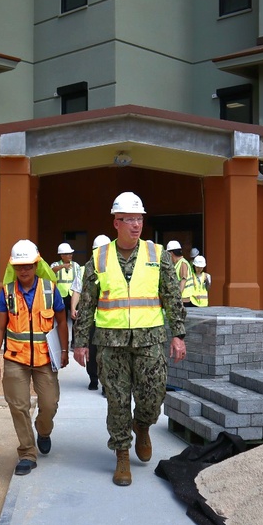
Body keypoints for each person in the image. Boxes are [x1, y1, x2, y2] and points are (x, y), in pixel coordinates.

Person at [72, 193, 187, 486]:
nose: (136, 225)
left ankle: (143, 425)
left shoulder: (156, 254)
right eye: (130, 219)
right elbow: (86, 303)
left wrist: (178, 335)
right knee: (117, 400)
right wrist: (81, 342)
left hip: (150, 340)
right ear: (116, 222)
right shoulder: (98, 258)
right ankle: (122, 453)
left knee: (153, 395)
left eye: (139, 219)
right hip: (111, 344)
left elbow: (172, 296)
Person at [0, 239, 69, 477]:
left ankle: (43, 431)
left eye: (28, 265)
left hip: (45, 359)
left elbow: (62, 321)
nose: (24, 270)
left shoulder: (49, 289)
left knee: (49, 404)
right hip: (15, 358)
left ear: (36, 265)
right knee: (19, 406)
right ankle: (27, 452)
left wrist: (64, 351)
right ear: (13, 267)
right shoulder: (6, 292)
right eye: (19, 266)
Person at [71, 234, 111, 391]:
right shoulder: (84, 269)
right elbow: (76, 290)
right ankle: (93, 378)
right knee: (92, 352)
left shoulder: (114, 268)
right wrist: (73, 308)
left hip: (110, 319)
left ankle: (107, 385)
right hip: (92, 320)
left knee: (108, 354)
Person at [51, 242, 83, 315]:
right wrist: (62, 266)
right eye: (68, 254)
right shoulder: (56, 264)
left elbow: (78, 281)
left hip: (73, 295)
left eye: (71, 253)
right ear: (62, 255)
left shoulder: (76, 265)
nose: (70, 255)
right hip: (61, 295)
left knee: (76, 318)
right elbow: (51, 271)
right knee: (62, 317)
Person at [166, 240, 193, 306]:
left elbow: (183, 280)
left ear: (171, 253)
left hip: (183, 300)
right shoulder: (178, 263)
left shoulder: (182, 263)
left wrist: (177, 297)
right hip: (181, 299)